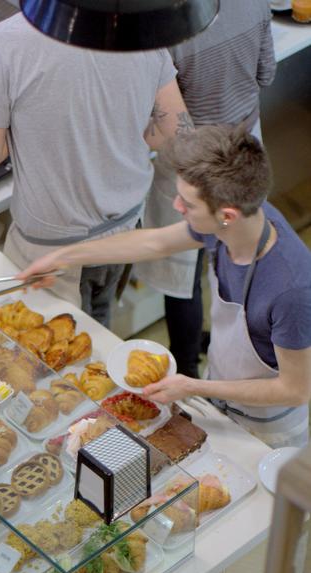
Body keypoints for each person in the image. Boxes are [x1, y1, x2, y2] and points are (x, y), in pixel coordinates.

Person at [17, 125, 311, 449]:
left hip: (267, 430)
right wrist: (62, 258)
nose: (176, 206)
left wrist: (193, 387)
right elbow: (155, 243)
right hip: (222, 393)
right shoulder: (235, 223)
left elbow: (295, 389)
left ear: (227, 215)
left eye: (188, 204)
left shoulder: (290, 291)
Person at [0, 11, 193, 328]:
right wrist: (117, 133)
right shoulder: (140, 20)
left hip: (54, 248)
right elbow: (172, 130)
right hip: (125, 228)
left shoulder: (7, 41)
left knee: (54, 355)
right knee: (98, 327)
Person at [136, 0, 277, 377]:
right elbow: (266, 74)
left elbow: (169, 121)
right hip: (245, 148)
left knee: (182, 273)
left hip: (191, 163)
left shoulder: (165, 23)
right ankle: (239, 361)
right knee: (240, 264)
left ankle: (186, 371)